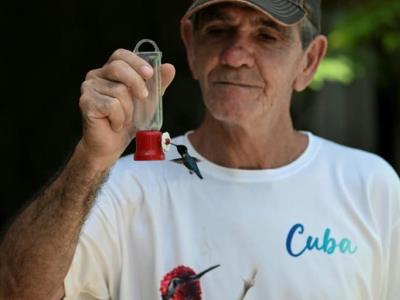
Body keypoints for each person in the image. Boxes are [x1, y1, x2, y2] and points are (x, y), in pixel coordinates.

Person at [1, 0, 399, 299]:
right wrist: (91, 159)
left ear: (309, 62)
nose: (235, 56)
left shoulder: (371, 187)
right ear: (190, 46)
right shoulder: (122, 186)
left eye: (266, 35)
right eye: (218, 31)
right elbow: (15, 291)